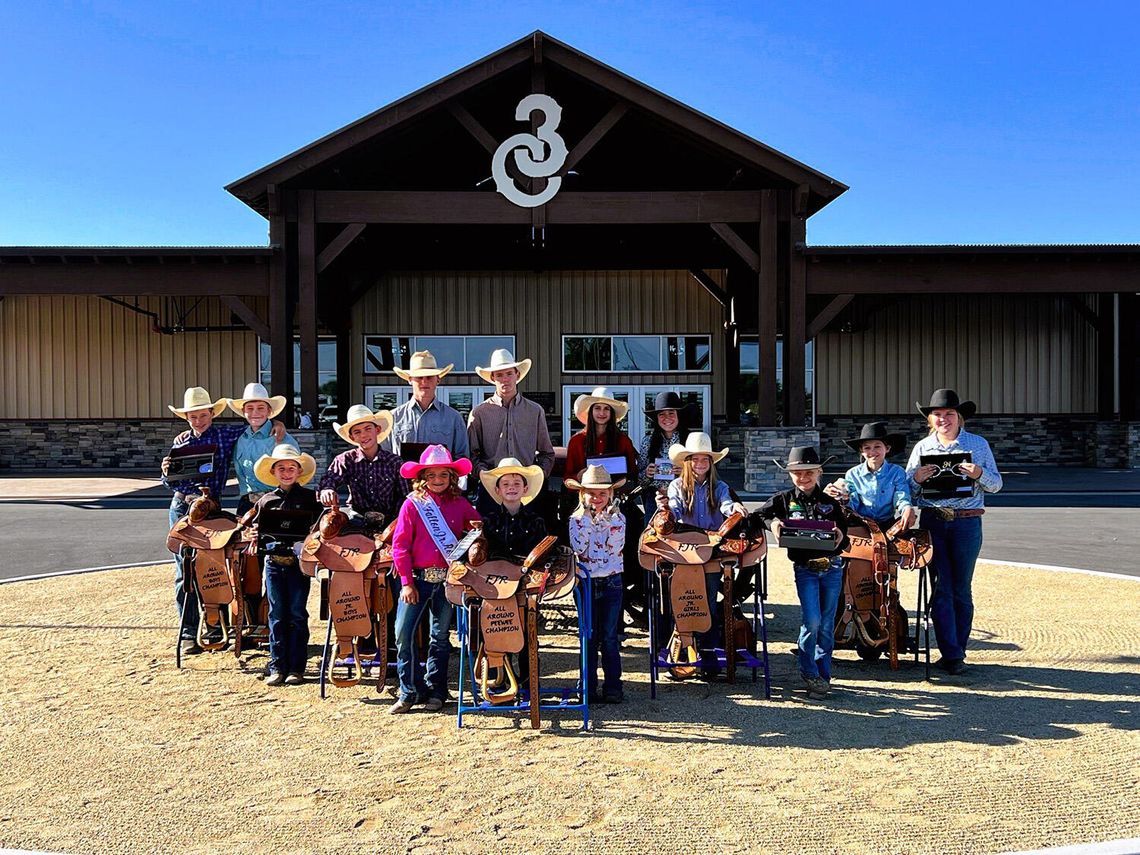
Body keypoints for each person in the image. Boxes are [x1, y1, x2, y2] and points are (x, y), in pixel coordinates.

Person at [161, 386, 284, 655]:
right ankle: (188, 632)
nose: (198, 421)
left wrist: (276, 423)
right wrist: (167, 471)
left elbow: (255, 427)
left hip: (211, 505)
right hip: (184, 504)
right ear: (186, 419)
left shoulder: (226, 435)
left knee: (213, 565)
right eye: (193, 417)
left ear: (211, 414)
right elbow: (169, 481)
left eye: (202, 415)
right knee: (185, 570)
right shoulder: (180, 443)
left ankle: (218, 626)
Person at [906, 389, 1002, 676]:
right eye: (937, 415)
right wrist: (916, 479)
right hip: (934, 521)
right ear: (930, 419)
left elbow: (996, 485)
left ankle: (958, 650)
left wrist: (978, 475)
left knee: (962, 588)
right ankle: (951, 652)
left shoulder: (978, 444)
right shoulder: (922, 448)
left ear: (959, 417)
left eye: (949, 414)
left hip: (967, 522)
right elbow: (906, 491)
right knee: (942, 587)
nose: (943, 419)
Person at [389, 445, 480, 714]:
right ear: (422, 477)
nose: (438, 480)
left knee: (440, 637)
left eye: (443, 475)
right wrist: (406, 581)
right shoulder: (412, 505)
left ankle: (437, 690)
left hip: (447, 582)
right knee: (403, 635)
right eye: (432, 475)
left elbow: (477, 535)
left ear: (452, 477)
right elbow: (400, 546)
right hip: (416, 580)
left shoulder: (462, 504)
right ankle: (409, 690)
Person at [753, 446, 849, 701]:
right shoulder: (783, 500)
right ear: (790, 475)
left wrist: (840, 536)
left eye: (808, 472)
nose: (803, 477)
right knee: (812, 620)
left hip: (832, 567)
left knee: (827, 623)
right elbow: (758, 515)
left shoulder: (830, 503)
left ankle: (822, 675)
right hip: (805, 569)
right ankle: (808, 671)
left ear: (819, 472)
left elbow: (844, 534)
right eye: (797, 473)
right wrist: (773, 523)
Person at [655, 432, 747, 679]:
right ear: (687, 461)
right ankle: (683, 651)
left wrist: (734, 509)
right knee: (682, 602)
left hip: (711, 547)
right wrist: (665, 509)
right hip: (684, 547)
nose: (699, 464)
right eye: (695, 459)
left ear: (710, 461)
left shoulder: (720, 486)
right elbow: (674, 508)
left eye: (704, 459)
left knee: (708, 605)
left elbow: (726, 503)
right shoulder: (677, 486)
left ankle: (707, 654)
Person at [243, 445, 321, 686]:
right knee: (276, 614)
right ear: (274, 472)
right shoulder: (266, 501)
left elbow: (319, 528)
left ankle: (297, 667)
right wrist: (256, 534)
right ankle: (277, 664)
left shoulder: (311, 499)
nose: (286, 472)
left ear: (299, 471)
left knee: (297, 613)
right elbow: (257, 531)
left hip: (297, 564)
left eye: (291, 468)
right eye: (281, 468)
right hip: (273, 563)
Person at [467, 348, 555, 516]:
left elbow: (547, 453)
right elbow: (472, 454)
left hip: (527, 490)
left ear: (518, 375)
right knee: (489, 539)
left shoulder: (535, 411)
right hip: (491, 489)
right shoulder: (479, 413)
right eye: (499, 375)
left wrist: (537, 477)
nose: (505, 379)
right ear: (492, 378)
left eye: (509, 373)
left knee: (532, 540)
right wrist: (484, 475)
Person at [566, 464, 626, 704]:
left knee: (609, 637)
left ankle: (613, 686)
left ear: (610, 494)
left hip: (611, 581)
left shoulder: (619, 518)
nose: (597, 498)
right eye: (592, 493)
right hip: (587, 582)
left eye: (602, 493)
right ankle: (587, 687)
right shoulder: (576, 519)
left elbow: (616, 545)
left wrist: (603, 520)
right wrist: (590, 521)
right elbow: (579, 548)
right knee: (588, 636)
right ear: (583, 495)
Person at [825, 422, 917, 531]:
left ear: (887, 448)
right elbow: (853, 503)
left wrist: (907, 507)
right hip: (860, 524)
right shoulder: (852, 474)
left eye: (877, 446)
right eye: (867, 448)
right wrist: (843, 498)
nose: (872, 452)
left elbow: (901, 495)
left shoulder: (897, 472)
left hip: (888, 524)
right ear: (861, 451)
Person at [318, 405, 402, 522]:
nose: (363, 435)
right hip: (357, 518)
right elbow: (330, 478)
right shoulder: (346, 459)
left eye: (368, 429)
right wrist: (327, 489)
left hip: (389, 519)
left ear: (377, 430)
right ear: (352, 437)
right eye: (357, 432)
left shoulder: (394, 462)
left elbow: (405, 495)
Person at [382, 350, 469, 460]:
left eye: (429, 377)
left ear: (438, 379)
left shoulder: (454, 418)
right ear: (410, 380)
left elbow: (462, 458)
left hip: (440, 478)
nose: (424, 382)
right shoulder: (393, 418)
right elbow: (384, 457)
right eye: (419, 377)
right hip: (401, 477)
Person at [228, 382, 297, 516]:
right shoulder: (238, 438)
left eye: (261, 408)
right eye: (250, 408)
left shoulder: (283, 439)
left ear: (269, 411)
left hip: (277, 503)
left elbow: (294, 475)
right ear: (243, 411)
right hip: (246, 503)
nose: (255, 413)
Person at [636, 391, 696, 517]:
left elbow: (703, 474)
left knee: (684, 534)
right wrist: (647, 473)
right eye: (662, 414)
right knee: (652, 535)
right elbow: (640, 481)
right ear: (657, 418)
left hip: (685, 497)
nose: (667, 418)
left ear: (678, 415)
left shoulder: (691, 440)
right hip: (655, 497)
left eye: (671, 413)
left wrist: (685, 473)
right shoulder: (647, 442)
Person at [479, 457, 548, 558]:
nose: (511, 487)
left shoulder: (536, 522)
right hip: (494, 572)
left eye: (517, 483)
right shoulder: (488, 522)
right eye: (505, 484)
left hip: (528, 572)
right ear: (497, 490)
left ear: (525, 489)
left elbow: (544, 553)